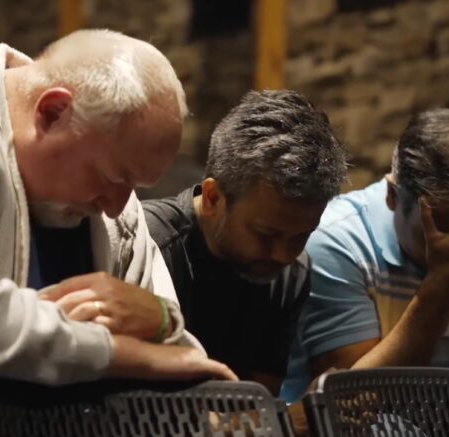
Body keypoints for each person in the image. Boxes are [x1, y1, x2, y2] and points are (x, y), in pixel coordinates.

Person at [0, 29, 235, 384]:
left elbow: (177, 352)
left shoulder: (116, 203)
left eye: (134, 186)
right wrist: (133, 357)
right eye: (113, 177)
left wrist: (162, 320)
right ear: (52, 112)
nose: (115, 207)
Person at [281, 108, 449, 401]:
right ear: (393, 196)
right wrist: (443, 283)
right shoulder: (337, 240)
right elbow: (353, 405)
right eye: (438, 234)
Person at [143, 89, 347, 396]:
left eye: (301, 236)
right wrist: (285, 423)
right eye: (266, 234)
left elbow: (255, 402)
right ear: (213, 197)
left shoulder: (291, 272)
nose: (283, 255)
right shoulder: (148, 246)